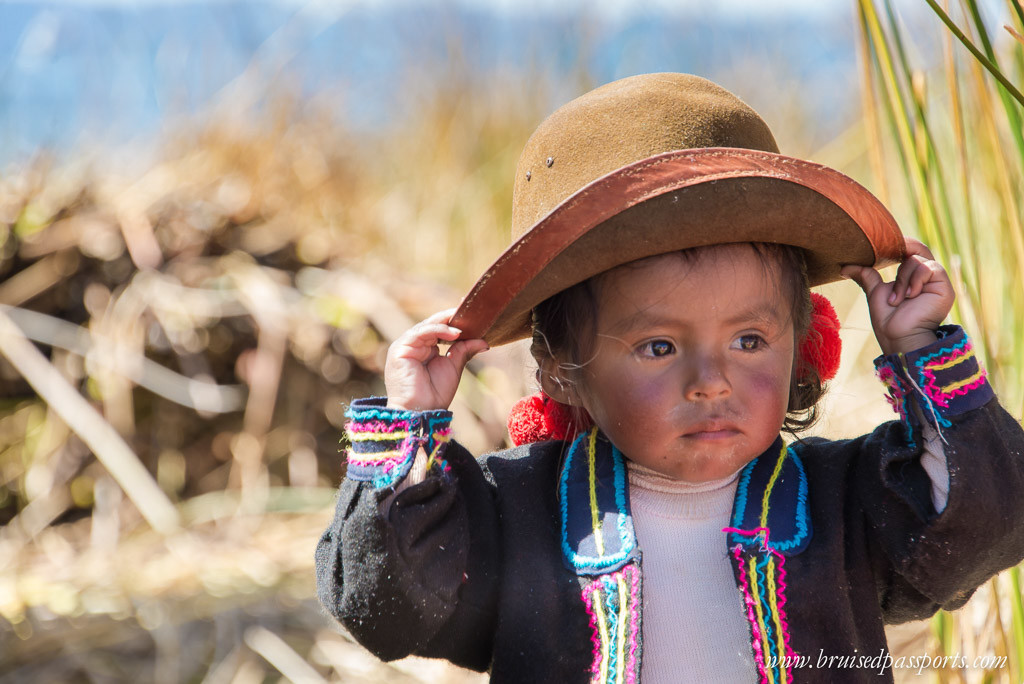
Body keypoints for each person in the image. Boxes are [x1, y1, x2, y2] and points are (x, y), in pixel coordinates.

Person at [315, 73, 1024, 683]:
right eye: (658, 347)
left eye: (750, 339)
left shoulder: (846, 504)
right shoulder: (515, 512)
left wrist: (920, 349)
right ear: (560, 367)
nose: (711, 381)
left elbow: (985, 521)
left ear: (800, 343)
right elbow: (384, 604)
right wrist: (410, 431)